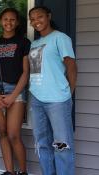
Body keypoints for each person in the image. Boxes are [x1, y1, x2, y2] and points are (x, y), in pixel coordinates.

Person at [28, 6, 77, 175]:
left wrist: (68, 93)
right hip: (36, 98)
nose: (36, 21)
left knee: (62, 143)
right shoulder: (34, 43)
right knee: (42, 143)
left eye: (39, 17)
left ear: (48, 16)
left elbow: (71, 66)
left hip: (57, 99)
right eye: (32, 19)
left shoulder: (60, 38)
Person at [0, 8, 30, 175]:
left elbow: (26, 72)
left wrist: (13, 95)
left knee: (13, 135)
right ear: (0, 21)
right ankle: (9, 171)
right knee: (3, 133)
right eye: (5, 19)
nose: (8, 22)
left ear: (17, 22)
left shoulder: (24, 42)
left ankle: (23, 171)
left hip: (16, 90)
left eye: (12, 19)